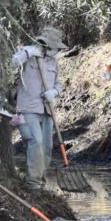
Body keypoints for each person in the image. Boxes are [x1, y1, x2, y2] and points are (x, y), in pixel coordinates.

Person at [11, 27, 67, 192]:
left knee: (47, 146)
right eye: (55, 48)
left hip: (47, 109)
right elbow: (13, 63)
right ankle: (33, 183)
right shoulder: (28, 55)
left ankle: (41, 181)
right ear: (47, 45)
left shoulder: (53, 62)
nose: (57, 51)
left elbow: (59, 84)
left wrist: (54, 92)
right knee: (36, 141)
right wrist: (28, 52)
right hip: (28, 107)